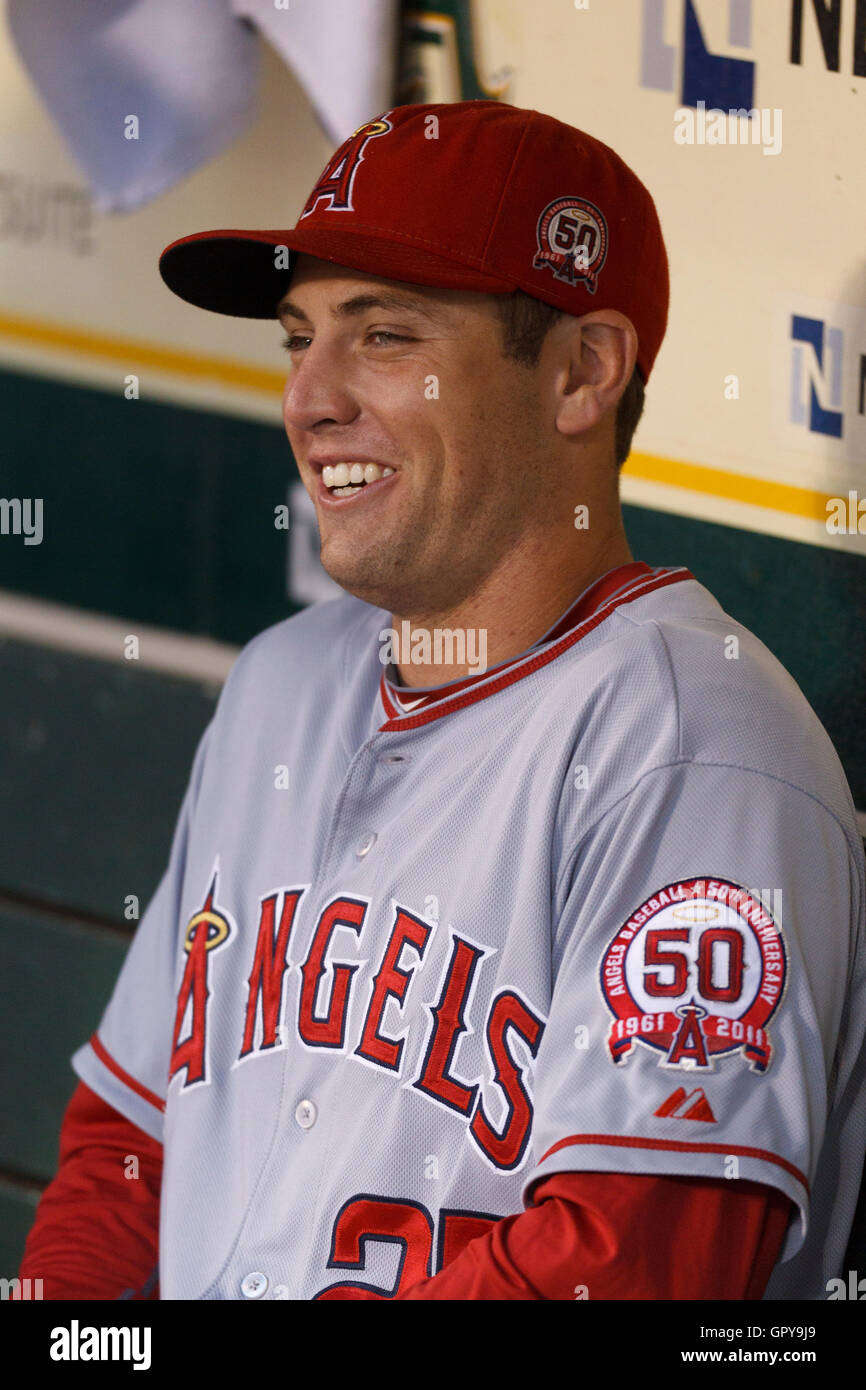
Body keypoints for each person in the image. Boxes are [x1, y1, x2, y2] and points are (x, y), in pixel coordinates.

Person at [20, 100, 866, 1301]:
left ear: (580, 373)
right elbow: (131, 1138)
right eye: (296, 338)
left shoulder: (692, 750)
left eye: (382, 337)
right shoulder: (281, 685)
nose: (307, 399)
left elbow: (629, 1268)